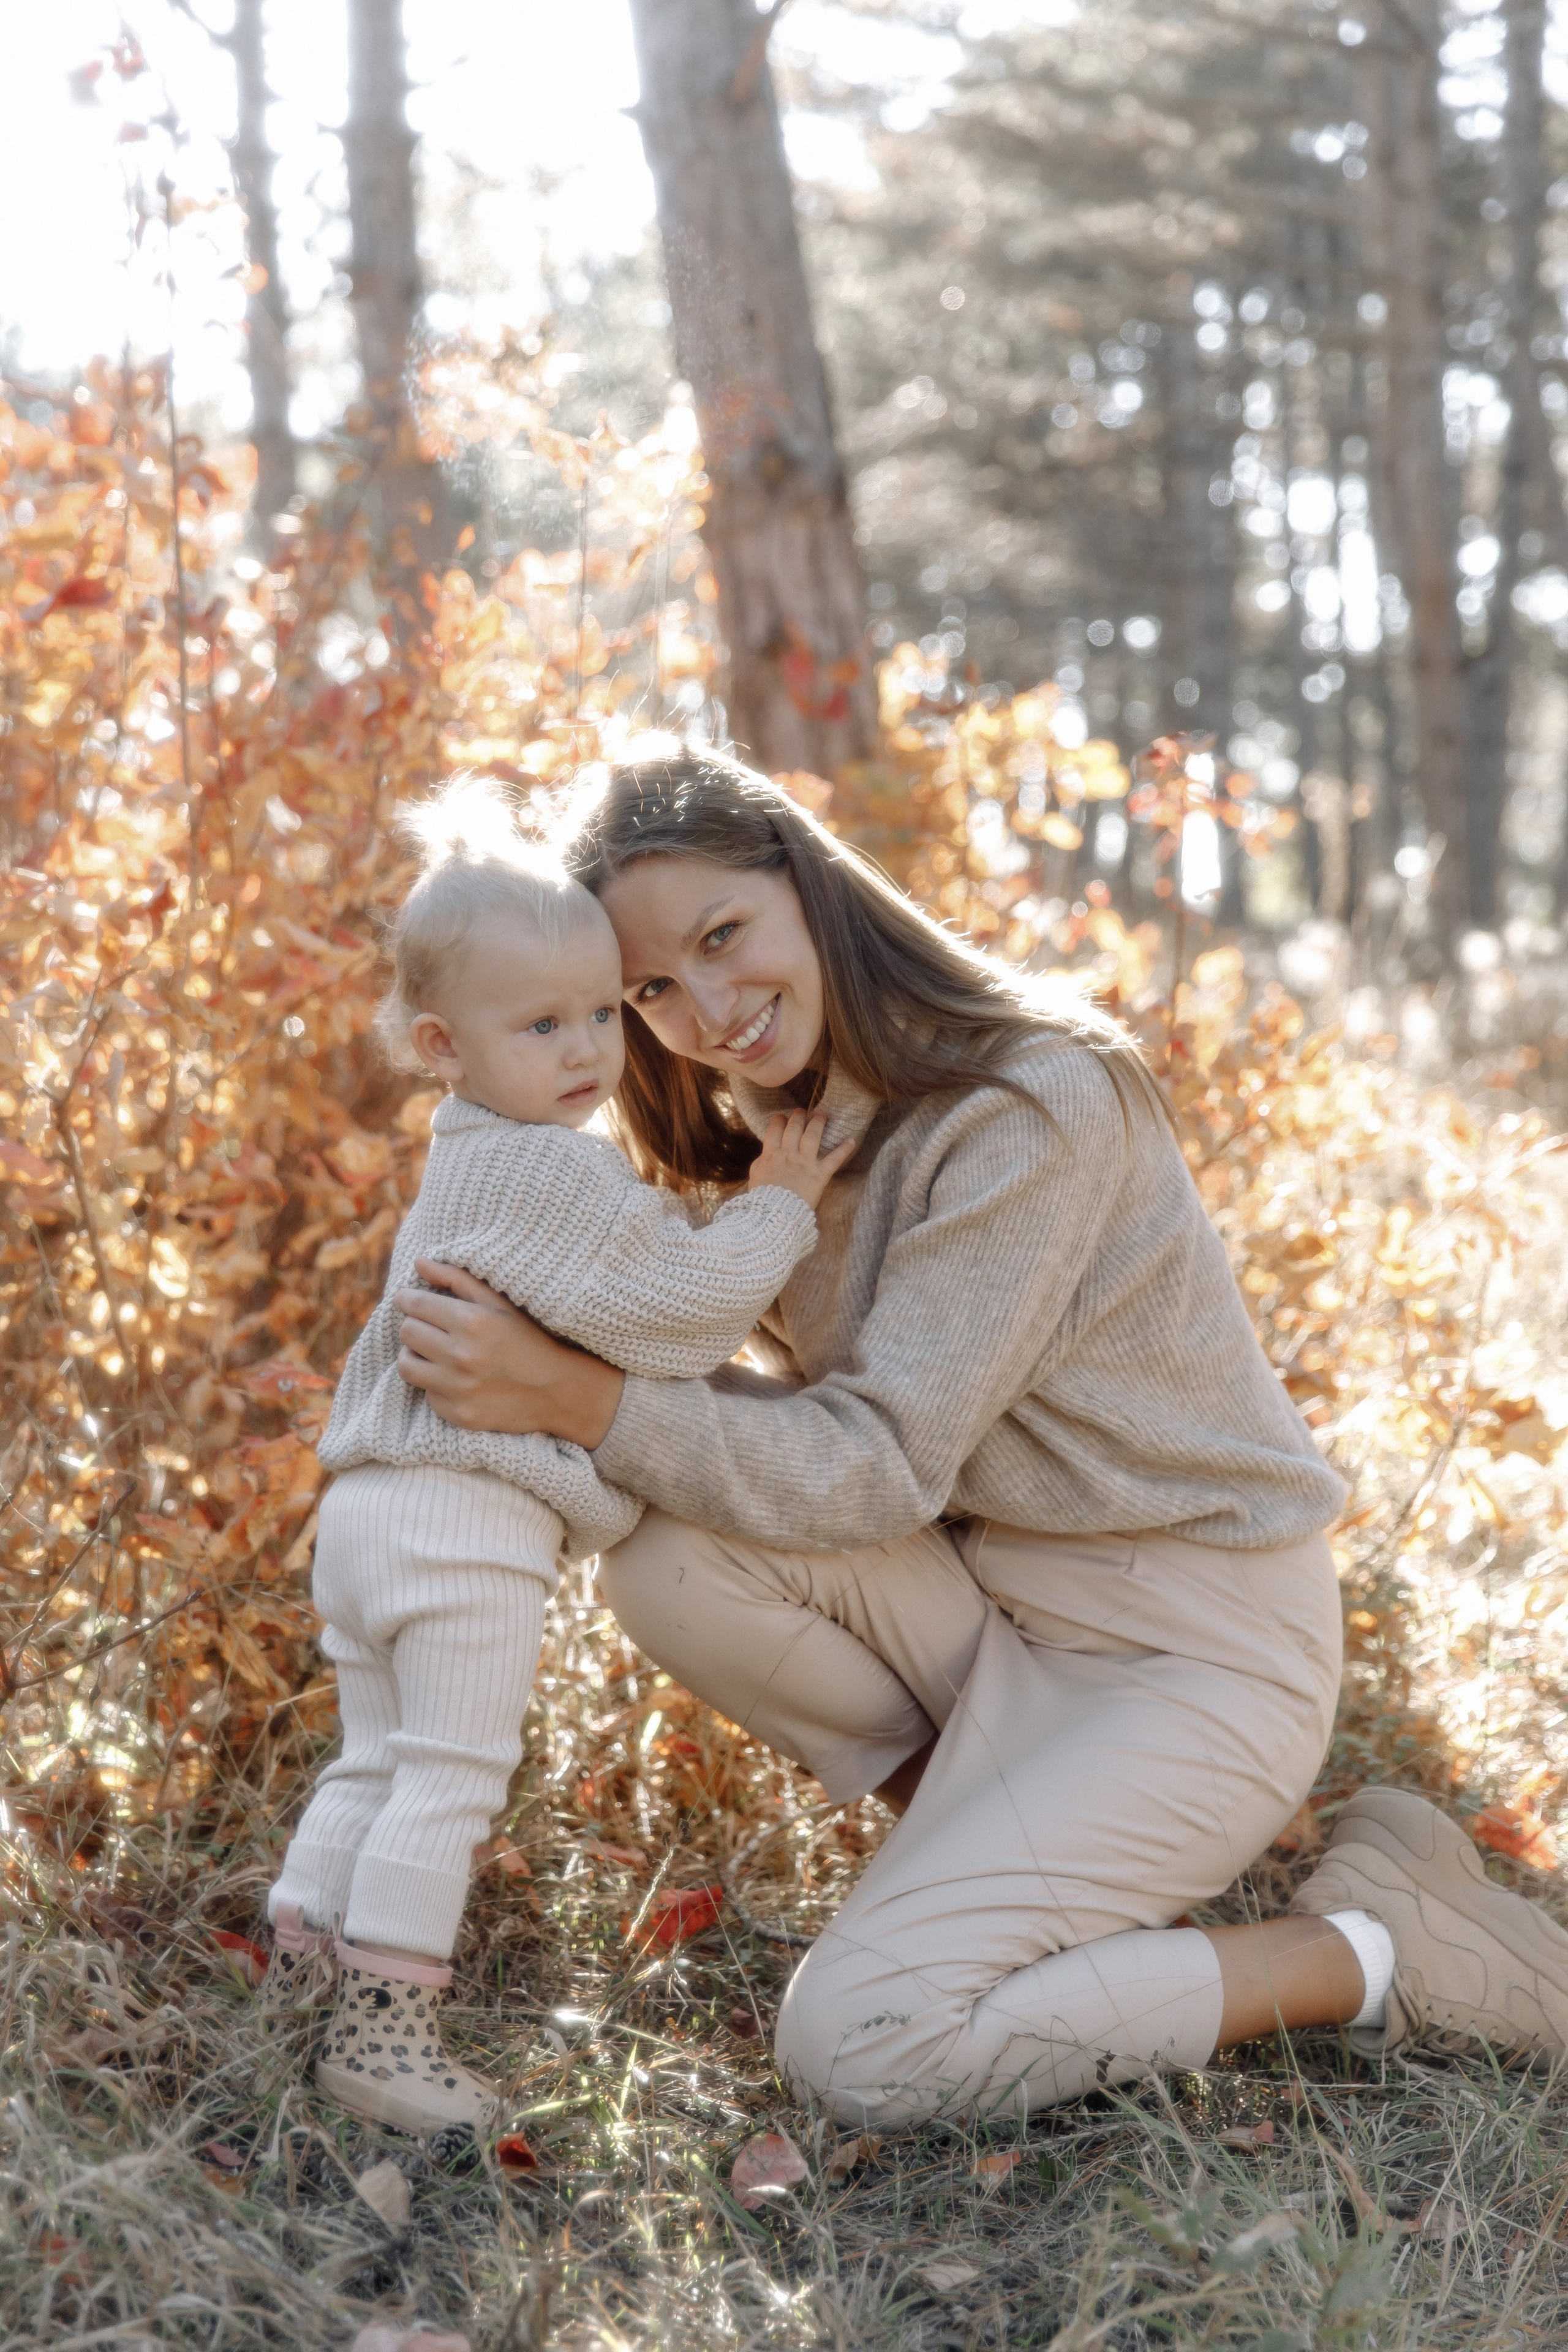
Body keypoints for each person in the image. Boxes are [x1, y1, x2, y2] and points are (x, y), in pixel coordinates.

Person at [393, 744, 1568, 2128]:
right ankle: (1001, 1864)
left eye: (723, 937)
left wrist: (571, 1397)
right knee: (663, 1556)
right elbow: (715, 1410)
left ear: (807, 884)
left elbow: (875, 1463)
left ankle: (1371, 1949)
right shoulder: (790, 1126)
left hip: (1192, 1657)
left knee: (866, 2043)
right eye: (651, 989)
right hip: (997, 1612)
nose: (705, 1011)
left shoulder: (1030, 1102)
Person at [265, 775, 853, 2140]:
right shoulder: (549, 1170)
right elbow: (667, 1314)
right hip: (465, 1528)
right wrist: (774, 1215)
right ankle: (383, 2035)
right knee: (450, 1778)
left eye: (602, 1012)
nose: (588, 1050)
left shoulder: (465, 1151)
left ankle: (301, 1970)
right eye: (541, 1025)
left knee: (372, 1760)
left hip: (368, 1517)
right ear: (438, 1043)